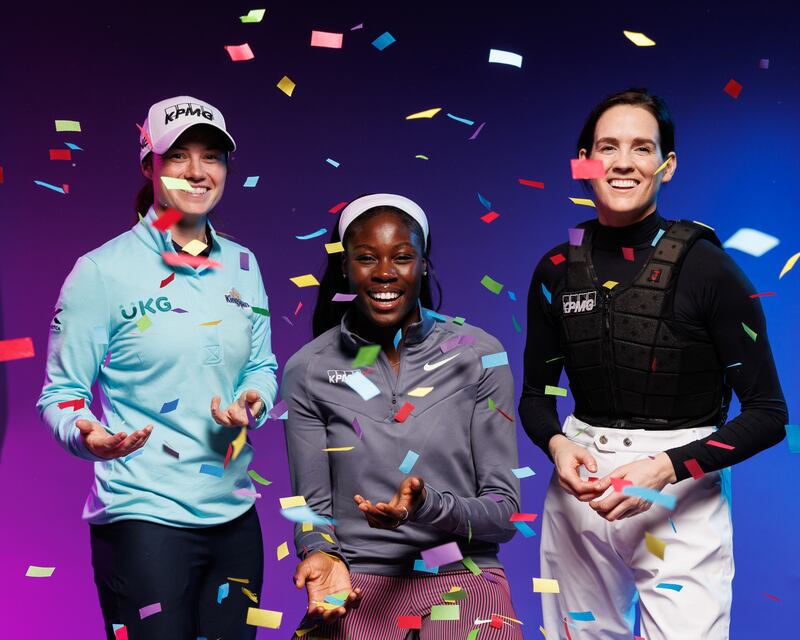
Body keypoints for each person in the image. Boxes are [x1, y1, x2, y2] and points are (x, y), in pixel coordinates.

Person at [519, 87, 788, 640]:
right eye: (607, 147)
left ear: (667, 166)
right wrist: (558, 445)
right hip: (580, 490)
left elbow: (768, 414)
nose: (622, 162)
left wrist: (666, 467)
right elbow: (536, 398)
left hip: (679, 492)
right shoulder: (553, 269)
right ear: (583, 163)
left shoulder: (708, 269)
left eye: (642, 148)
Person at [37, 95, 278, 640]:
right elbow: (60, 395)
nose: (197, 172)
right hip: (141, 517)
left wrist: (253, 401)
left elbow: (262, 364)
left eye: (211, 156)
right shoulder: (101, 271)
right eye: (179, 157)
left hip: (236, 518)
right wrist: (86, 435)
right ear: (150, 164)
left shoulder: (243, 263)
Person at [282, 193, 524, 639]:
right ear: (344, 267)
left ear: (425, 264)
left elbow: (504, 513)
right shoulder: (308, 369)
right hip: (355, 582)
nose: (385, 273)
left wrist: (428, 505)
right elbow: (311, 509)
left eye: (403, 257)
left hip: (463, 574)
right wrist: (319, 553)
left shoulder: (480, 355)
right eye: (366, 258)